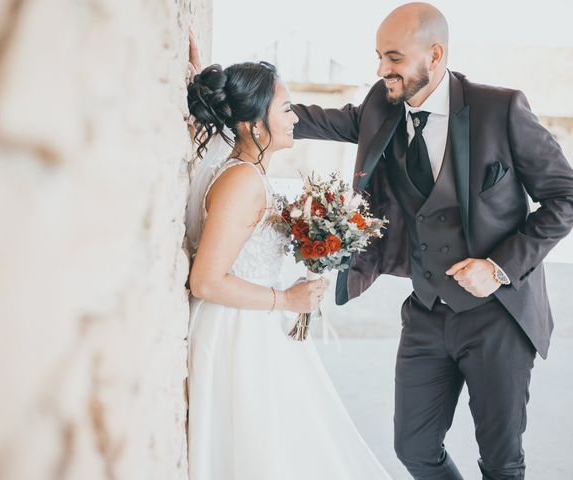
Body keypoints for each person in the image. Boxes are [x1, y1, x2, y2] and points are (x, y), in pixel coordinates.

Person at [289, 3, 573, 479]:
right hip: (425, 312)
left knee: (502, 463)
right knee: (414, 449)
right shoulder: (381, 107)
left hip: (498, 314)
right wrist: (224, 93)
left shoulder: (499, 108)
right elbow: (308, 117)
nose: (381, 71)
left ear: (434, 55)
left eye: (394, 58)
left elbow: (564, 196)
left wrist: (498, 266)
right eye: (379, 56)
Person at [184, 59, 392, 479]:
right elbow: (205, 280)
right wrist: (286, 299)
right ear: (254, 125)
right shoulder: (242, 181)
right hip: (234, 333)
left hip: (252, 324)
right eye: (285, 108)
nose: (295, 117)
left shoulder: (247, 172)